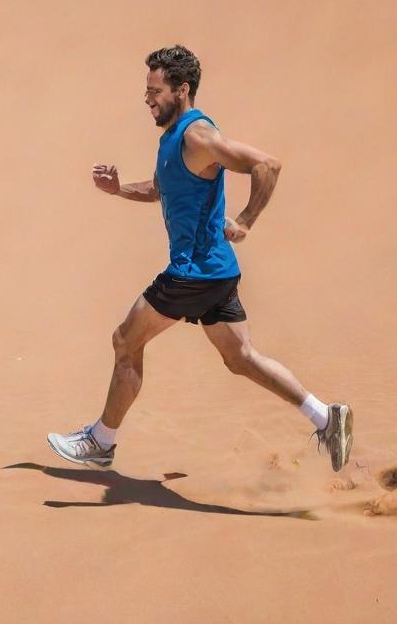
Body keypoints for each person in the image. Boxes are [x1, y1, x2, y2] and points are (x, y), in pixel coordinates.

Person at [47, 44, 353, 473]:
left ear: (182, 89)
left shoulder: (197, 135)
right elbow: (159, 190)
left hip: (192, 274)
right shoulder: (172, 139)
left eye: (155, 91)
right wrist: (118, 190)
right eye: (146, 91)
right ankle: (326, 416)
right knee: (240, 357)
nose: (148, 99)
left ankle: (101, 441)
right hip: (217, 273)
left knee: (125, 340)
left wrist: (246, 219)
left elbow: (268, 165)